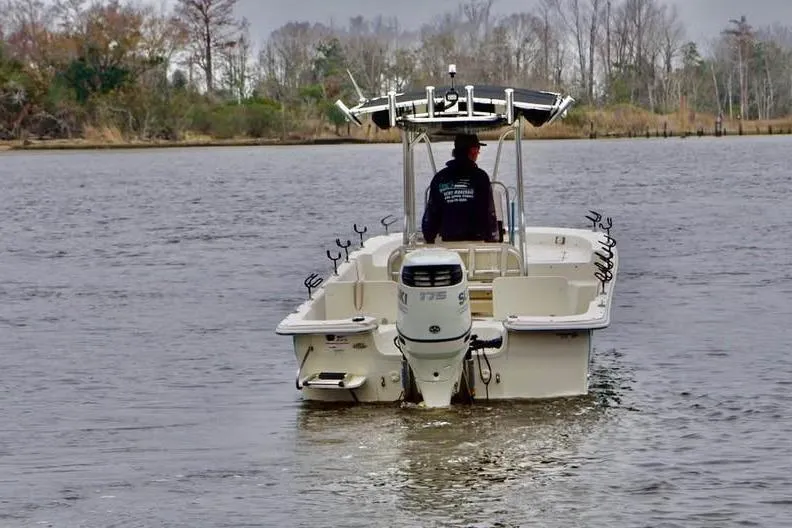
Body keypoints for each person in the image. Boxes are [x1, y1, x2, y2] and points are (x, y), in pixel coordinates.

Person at [421, 133, 499, 244]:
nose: (478, 154)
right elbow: (488, 213)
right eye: (477, 150)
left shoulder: (439, 178)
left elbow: (431, 215)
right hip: (476, 246)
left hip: (447, 247)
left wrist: (429, 239)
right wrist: (492, 239)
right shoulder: (481, 177)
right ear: (473, 151)